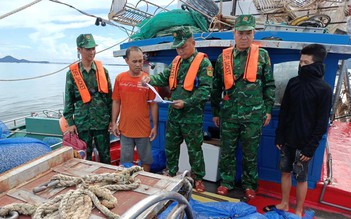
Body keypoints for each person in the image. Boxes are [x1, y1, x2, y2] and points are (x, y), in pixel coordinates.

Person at [211, 15, 275, 199]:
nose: (244, 37)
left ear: (254, 33)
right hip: (229, 114)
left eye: (248, 33)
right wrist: (216, 111)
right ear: (234, 33)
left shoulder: (262, 55)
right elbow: (216, 87)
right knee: (227, 150)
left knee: (250, 153)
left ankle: (249, 185)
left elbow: (269, 84)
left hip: (254, 115)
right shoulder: (224, 57)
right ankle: (226, 182)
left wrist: (268, 109)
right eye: (241, 33)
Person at [263, 44, 332, 217]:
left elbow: (321, 122)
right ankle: (284, 203)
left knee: (301, 178)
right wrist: (280, 136)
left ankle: (299, 209)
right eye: (301, 61)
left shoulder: (324, 90)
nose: (301, 65)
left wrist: (311, 147)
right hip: (287, 140)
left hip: (305, 143)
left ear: (315, 64)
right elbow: (284, 112)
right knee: (285, 172)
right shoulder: (293, 83)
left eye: (305, 62)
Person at [141, 26, 213, 192]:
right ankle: (171, 172)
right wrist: (150, 79)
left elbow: (205, 90)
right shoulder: (176, 62)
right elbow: (163, 77)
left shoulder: (204, 63)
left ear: (193, 43)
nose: (180, 50)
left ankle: (199, 178)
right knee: (171, 146)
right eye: (178, 47)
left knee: (194, 149)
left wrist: (186, 103)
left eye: (183, 46)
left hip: (192, 116)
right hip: (174, 113)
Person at [63, 33, 112, 164]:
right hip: (82, 122)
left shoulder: (103, 71)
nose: (92, 52)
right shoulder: (72, 74)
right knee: (85, 157)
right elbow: (68, 100)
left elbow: (110, 98)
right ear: (79, 50)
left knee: (105, 155)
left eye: (93, 48)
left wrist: (112, 120)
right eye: (88, 49)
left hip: (102, 121)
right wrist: (70, 123)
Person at [111, 46, 158, 172]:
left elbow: (154, 104)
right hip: (125, 130)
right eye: (134, 61)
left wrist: (155, 126)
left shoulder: (148, 80)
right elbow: (116, 101)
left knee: (146, 161)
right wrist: (114, 123)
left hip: (144, 130)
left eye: (141, 61)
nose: (138, 64)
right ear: (126, 60)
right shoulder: (120, 79)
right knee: (126, 163)